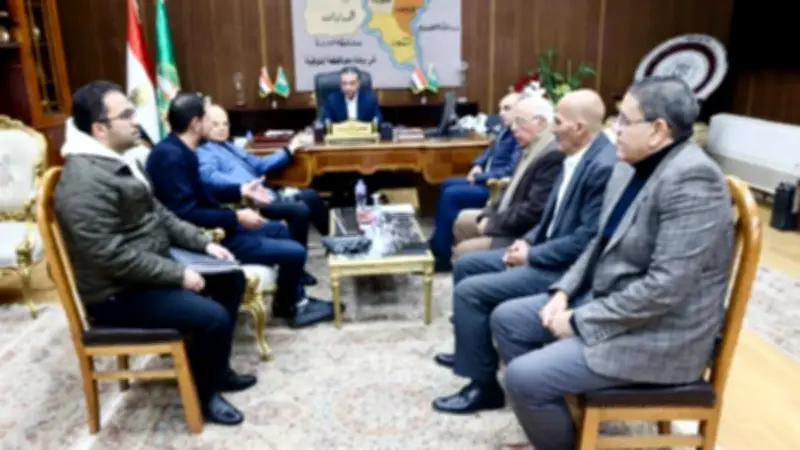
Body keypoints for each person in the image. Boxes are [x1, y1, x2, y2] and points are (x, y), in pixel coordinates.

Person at [490, 76, 734, 450]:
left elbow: (664, 289)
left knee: (524, 377)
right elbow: (598, 242)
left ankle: (555, 426)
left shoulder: (693, 180)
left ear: (658, 131)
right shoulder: (628, 164)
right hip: (611, 301)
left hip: (659, 334)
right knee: (507, 319)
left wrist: (578, 320)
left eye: (623, 120)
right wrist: (563, 292)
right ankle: (558, 423)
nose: (613, 130)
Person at [55, 81, 255, 425]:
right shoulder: (83, 182)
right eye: (127, 115)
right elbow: (109, 255)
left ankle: (216, 371)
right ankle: (204, 396)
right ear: (100, 129)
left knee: (231, 278)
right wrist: (178, 275)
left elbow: (159, 213)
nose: (137, 121)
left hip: (148, 271)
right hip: (117, 294)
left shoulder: (115, 161)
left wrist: (203, 243)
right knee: (212, 317)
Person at [432, 89, 617, 414]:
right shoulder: (573, 153)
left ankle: (484, 387)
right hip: (543, 251)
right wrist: (528, 241)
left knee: (469, 292)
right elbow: (550, 217)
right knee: (466, 266)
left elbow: (585, 241)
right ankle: (474, 353)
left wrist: (531, 255)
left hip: (564, 270)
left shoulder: (601, 165)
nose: (553, 129)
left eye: (557, 122)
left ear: (578, 128)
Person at [146, 92, 335, 328]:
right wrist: (235, 216)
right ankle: (292, 308)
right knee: (295, 251)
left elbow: (204, 197)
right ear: (195, 124)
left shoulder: (181, 150)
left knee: (280, 231)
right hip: (208, 238)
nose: (213, 125)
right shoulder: (170, 158)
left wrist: (241, 191)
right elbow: (185, 214)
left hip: (219, 224)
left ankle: (293, 301)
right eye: (208, 119)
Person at [198, 104, 328, 256]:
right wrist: (243, 187)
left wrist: (288, 150)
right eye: (215, 124)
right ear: (204, 126)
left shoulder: (230, 146)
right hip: (250, 200)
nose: (222, 128)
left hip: (265, 193)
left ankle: (332, 240)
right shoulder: (204, 152)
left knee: (311, 196)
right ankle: (299, 256)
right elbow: (210, 177)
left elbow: (260, 164)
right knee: (299, 210)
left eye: (225, 124)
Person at [451, 94, 563, 258]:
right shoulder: (530, 145)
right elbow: (509, 190)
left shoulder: (551, 155)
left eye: (520, 122)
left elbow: (532, 211)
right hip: (508, 215)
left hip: (521, 233)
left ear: (540, 122)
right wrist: (488, 213)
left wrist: (492, 224)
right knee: (462, 222)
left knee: (464, 252)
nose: (513, 128)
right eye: (514, 122)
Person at [430, 93, 521, 271]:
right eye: (500, 109)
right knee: (446, 184)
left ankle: (442, 255)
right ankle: (439, 240)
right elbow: (488, 152)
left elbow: (511, 169)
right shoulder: (505, 129)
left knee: (452, 195)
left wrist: (480, 177)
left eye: (507, 108)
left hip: (495, 187)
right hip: (485, 179)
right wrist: (478, 165)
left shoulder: (518, 135)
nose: (501, 113)